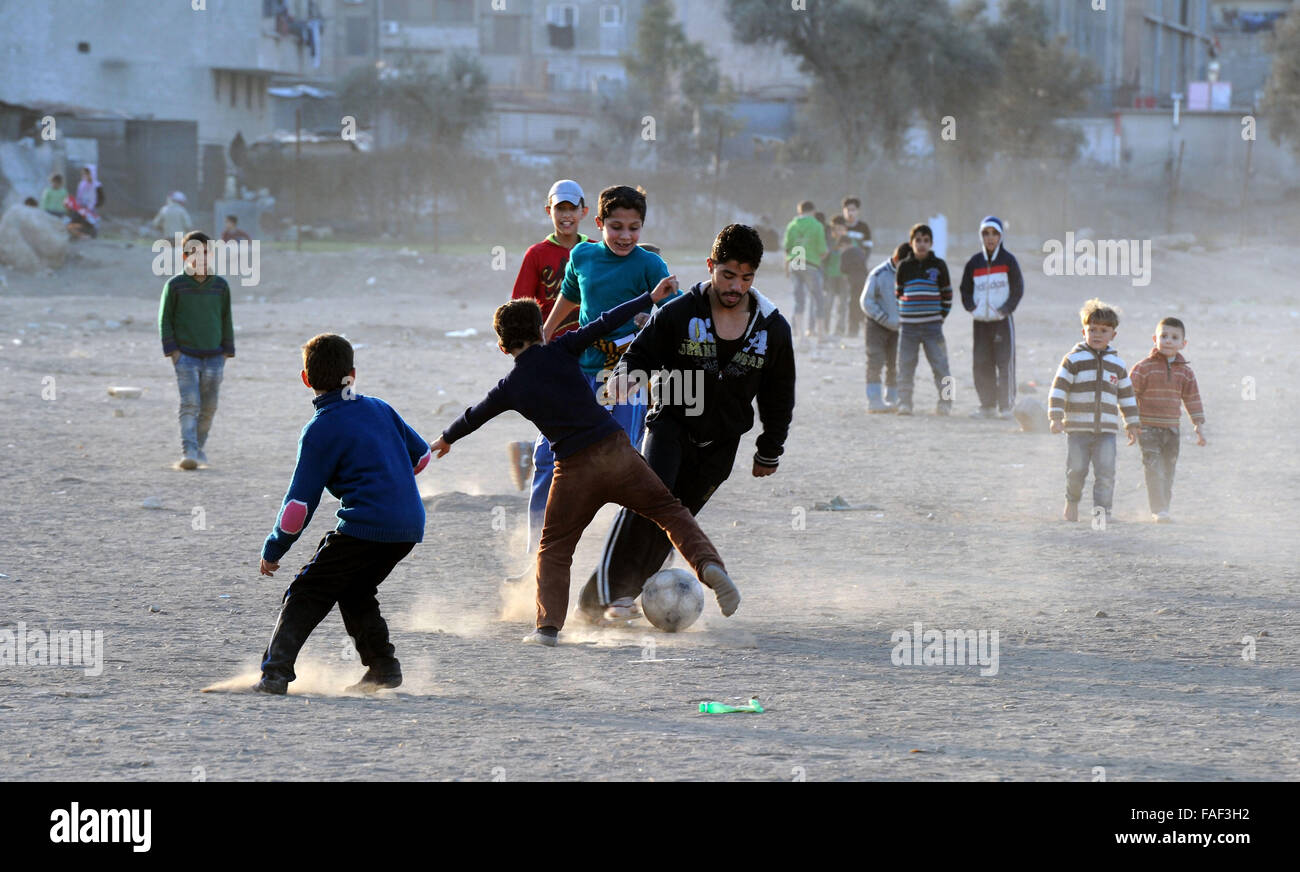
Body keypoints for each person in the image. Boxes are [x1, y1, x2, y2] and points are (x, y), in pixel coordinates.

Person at [431, 285, 740, 647]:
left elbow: (476, 414)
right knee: (670, 512)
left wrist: (447, 438)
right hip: (616, 452)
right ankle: (708, 565)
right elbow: (606, 320)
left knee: (555, 547)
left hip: (574, 470)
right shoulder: (563, 348)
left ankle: (547, 628)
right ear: (542, 331)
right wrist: (649, 297)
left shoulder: (510, 386)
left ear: (503, 347)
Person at [576, 224, 795, 623]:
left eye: (745, 278)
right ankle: (606, 595)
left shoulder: (772, 327)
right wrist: (626, 376)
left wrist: (770, 448)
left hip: (722, 442)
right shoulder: (679, 312)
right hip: (671, 423)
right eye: (727, 274)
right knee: (650, 502)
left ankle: (617, 597)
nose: (735, 286)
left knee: (675, 523)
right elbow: (640, 355)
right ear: (711, 266)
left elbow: (780, 393)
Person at [254, 333, 431, 695]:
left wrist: (274, 549)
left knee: (306, 591)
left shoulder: (320, 429)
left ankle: (275, 673)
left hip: (366, 525)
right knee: (355, 589)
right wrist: (387, 473)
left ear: (305, 378)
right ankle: (382, 667)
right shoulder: (380, 407)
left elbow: (298, 507)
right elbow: (422, 455)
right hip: (409, 524)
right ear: (353, 374)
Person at [540, 185, 676, 455]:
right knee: (551, 452)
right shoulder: (581, 256)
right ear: (599, 223)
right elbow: (569, 294)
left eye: (634, 228)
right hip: (582, 368)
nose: (625, 236)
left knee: (622, 453)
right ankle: (548, 499)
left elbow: (672, 307)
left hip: (628, 371)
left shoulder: (650, 264)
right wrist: (546, 331)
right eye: (616, 227)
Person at [506, 180, 591, 563]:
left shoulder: (596, 252)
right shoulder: (538, 254)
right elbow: (520, 306)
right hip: (552, 356)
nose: (566, 215)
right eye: (560, 208)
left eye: (573, 208)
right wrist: (518, 343)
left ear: (585, 212)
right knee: (549, 451)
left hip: (594, 357)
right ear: (549, 212)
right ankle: (535, 547)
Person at [1048, 299, 1140, 523]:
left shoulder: (1117, 364)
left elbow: (1126, 395)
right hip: (1078, 429)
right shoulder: (1073, 360)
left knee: (1106, 474)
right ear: (1083, 331)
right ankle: (1072, 501)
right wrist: (1056, 417)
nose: (1097, 334)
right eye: (1092, 330)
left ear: (1113, 335)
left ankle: (1102, 514)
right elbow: (1058, 388)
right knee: (1076, 470)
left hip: (1106, 431)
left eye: (1103, 330)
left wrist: (1132, 423)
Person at [157, 231, 233, 469]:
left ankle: (199, 448)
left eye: (205, 252)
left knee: (209, 406)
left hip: (214, 356)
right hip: (186, 356)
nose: (199, 257)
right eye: (194, 253)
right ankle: (188, 450)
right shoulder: (175, 285)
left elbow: (225, 318)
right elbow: (165, 319)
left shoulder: (220, 286)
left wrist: (226, 351)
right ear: (185, 256)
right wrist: (173, 352)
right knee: (190, 403)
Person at [1128, 317, 1207, 523]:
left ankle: (1165, 507)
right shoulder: (1144, 367)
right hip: (1148, 428)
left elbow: (1192, 398)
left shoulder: (1186, 372)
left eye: (1174, 337)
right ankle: (1158, 510)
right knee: (1152, 467)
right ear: (1155, 339)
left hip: (1172, 429)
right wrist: (1131, 422)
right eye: (1163, 336)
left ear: (1183, 343)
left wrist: (1198, 426)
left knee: (1168, 470)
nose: (1168, 341)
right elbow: (1128, 395)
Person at [959, 216, 1024, 419]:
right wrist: (972, 308)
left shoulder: (1008, 261)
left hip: (1002, 322)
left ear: (1000, 236)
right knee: (981, 362)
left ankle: (1006, 406)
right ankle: (987, 405)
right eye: (986, 233)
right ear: (981, 235)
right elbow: (965, 290)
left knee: (1004, 363)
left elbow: (1017, 289)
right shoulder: (974, 263)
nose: (990, 237)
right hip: (980, 323)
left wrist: (1005, 309)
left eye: (994, 233)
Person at [894, 223, 953, 416]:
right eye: (917, 240)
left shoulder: (939, 265)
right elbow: (898, 293)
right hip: (908, 328)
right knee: (905, 365)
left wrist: (938, 316)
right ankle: (904, 402)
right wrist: (907, 313)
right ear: (911, 243)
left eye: (926, 240)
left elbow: (947, 296)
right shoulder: (904, 266)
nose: (921, 244)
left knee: (941, 365)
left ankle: (946, 402)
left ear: (932, 243)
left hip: (933, 327)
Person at [860, 242, 909, 412]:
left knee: (895, 363)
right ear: (896, 259)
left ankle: (892, 398)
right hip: (876, 326)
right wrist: (884, 318)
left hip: (899, 328)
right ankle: (874, 400)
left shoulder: (909, 274)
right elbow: (866, 301)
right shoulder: (878, 274)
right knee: (875, 361)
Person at [782, 200, 827, 338]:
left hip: (795, 263)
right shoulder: (817, 225)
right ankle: (820, 334)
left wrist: (787, 268)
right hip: (810, 264)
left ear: (799, 211)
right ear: (813, 211)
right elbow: (822, 250)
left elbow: (787, 248)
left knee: (798, 299)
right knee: (818, 298)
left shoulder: (792, 225)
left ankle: (798, 334)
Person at [836, 223, 867, 338]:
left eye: (841, 247)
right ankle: (866, 329)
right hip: (864, 281)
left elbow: (843, 269)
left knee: (853, 306)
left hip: (853, 282)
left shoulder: (845, 253)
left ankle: (853, 331)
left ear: (844, 244)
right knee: (863, 305)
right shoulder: (859, 251)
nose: (841, 249)